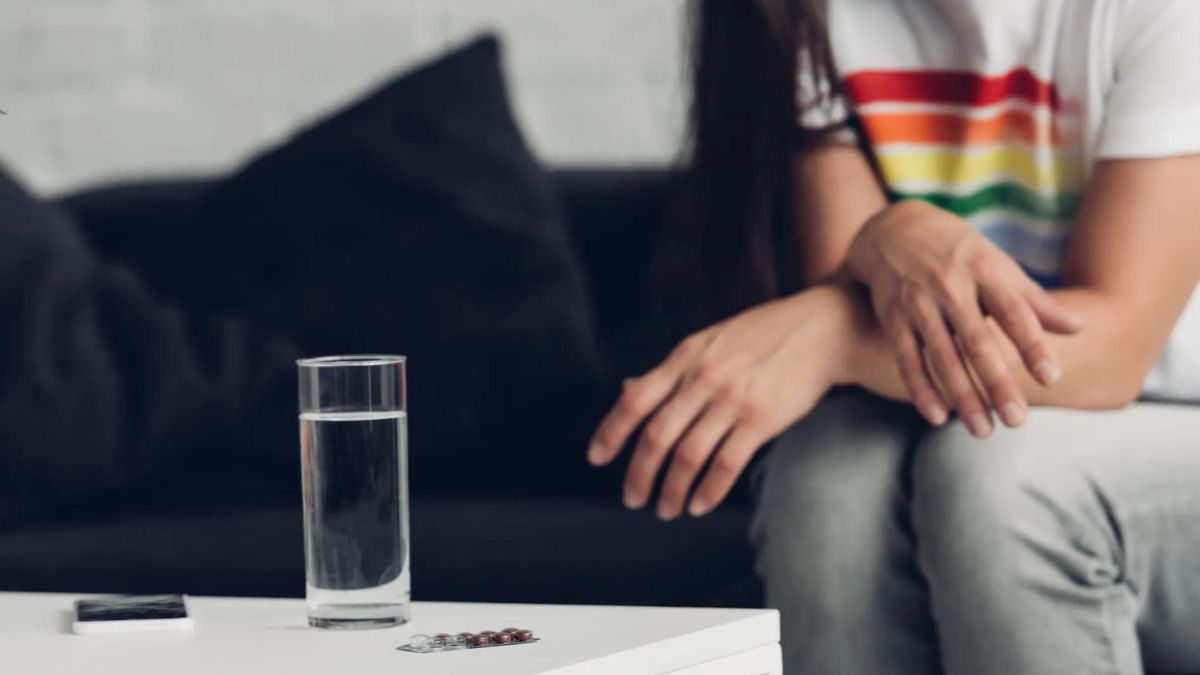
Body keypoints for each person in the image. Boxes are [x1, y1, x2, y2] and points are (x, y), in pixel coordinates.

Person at [587, 1, 1200, 673]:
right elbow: (848, 288)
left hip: (1169, 423)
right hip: (970, 416)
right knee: (824, 476)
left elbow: (1115, 351)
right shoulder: (807, 16)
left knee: (1004, 486)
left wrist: (837, 336)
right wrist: (891, 235)